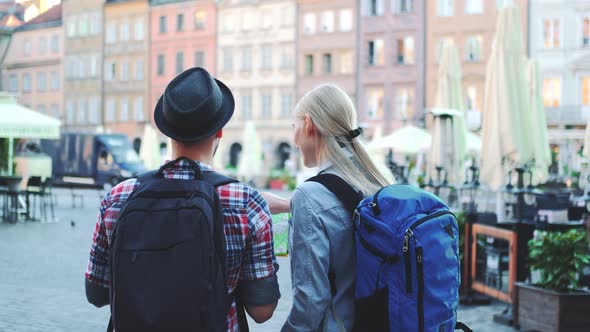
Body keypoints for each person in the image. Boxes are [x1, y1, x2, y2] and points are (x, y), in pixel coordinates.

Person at [85, 67, 280, 332]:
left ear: (167, 130)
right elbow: (262, 311)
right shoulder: (248, 203)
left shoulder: (118, 197)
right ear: (219, 131)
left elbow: (96, 293)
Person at [280, 84, 392, 332]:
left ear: (308, 124)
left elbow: (310, 301)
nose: (294, 139)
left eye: (294, 127)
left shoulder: (309, 196)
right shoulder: (378, 180)